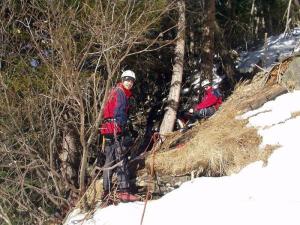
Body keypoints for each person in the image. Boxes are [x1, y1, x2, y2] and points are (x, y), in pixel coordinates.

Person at [100, 70, 140, 203]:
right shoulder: (121, 92)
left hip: (107, 129)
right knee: (121, 159)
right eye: (127, 80)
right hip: (115, 129)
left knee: (109, 160)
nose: (129, 83)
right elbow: (119, 111)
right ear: (122, 80)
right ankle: (124, 191)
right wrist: (125, 128)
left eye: (131, 81)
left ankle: (106, 191)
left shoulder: (113, 90)